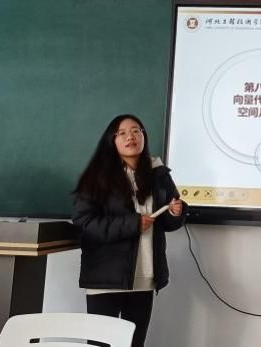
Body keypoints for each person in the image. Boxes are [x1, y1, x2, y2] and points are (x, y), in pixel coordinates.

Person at [72, 114, 187, 347]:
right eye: (122, 133)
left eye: (136, 131)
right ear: (111, 140)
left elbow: (167, 222)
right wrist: (132, 224)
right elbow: (84, 222)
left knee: (135, 344)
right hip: (105, 278)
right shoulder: (97, 177)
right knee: (101, 344)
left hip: (144, 277)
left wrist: (176, 212)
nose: (130, 137)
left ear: (144, 136)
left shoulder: (158, 173)